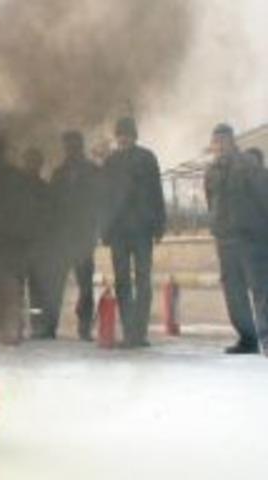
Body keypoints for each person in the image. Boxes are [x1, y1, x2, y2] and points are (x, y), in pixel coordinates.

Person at [101, 117, 166, 348]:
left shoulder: (147, 158)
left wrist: (160, 225)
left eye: (126, 134)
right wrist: (105, 229)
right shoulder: (110, 162)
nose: (123, 138)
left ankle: (139, 331)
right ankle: (130, 330)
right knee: (122, 281)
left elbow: (156, 192)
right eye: (120, 134)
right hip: (119, 231)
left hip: (141, 229)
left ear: (134, 135)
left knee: (143, 280)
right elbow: (104, 199)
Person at [204, 124, 268, 355]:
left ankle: (266, 338)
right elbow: (210, 202)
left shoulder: (249, 166)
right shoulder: (210, 171)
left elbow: (264, 197)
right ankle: (247, 338)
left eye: (222, 141)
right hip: (225, 240)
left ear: (232, 142)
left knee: (260, 289)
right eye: (215, 142)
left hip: (251, 238)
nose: (219, 146)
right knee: (234, 293)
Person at [49, 131, 101, 341]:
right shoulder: (59, 173)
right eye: (67, 146)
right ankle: (50, 325)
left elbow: (99, 202)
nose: (70, 149)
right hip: (63, 237)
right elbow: (51, 205)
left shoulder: (92, 171)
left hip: (82, 235)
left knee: (85, 283)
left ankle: (85, 325)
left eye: (74, 145)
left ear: (80, 146)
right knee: (56, 283)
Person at [18, 147, 57, 339]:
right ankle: (20, 324)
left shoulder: (43, 189)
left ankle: (35, 325)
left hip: (35, 247)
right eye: (29, 162)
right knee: (21, 288)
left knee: (36, 291)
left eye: (34, 163)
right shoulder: (18, 189)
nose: (32, 166)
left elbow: (50, 219)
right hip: (22, 246)